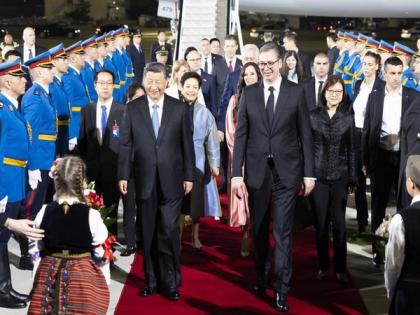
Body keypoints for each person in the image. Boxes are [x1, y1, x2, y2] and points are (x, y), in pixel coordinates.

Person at [231, 42, 314, 312]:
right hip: (256, 174)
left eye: (269, 63)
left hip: (287, 174)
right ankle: (261, 273)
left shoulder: (296, 92)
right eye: (261, 64)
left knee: (282, 233)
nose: (265, 68)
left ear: (280, 62)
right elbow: (241, 134)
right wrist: (235, 174)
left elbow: (305, 135)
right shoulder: (250, 93)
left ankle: (282, 287)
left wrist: (309, 174)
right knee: (258, 230)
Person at [118, 62, 195, 301]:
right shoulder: (132, 109)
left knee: (169, 230)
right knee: (148, 231)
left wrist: (189, 176)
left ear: (166, 82)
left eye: (158, 82)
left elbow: (187, 145)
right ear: (144, 82)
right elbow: (126, 144)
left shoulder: (179, 108)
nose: (153, 86)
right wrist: (123, 174)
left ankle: (171, 281)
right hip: (144, 180)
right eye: (149, 82)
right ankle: (151, 281)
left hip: (172, 180)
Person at [28, 156, 110, 314]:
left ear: (56, 180)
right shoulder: (91, 215)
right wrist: (103, 281)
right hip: (81, 277)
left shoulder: (44, 211)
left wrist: (36, 281)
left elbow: (36, 252)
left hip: (49, 270)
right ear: (81, 181)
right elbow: (101, 254)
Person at [362, 56, 418, 268]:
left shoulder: (413, 97)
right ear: (384, 74)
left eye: (399, 73)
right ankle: (378, 250)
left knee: (404, 204)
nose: (396, 77)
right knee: (378, 204)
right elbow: (367, 130)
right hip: (382, 156)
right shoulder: (375, 97)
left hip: (404, 158)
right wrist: (366, 160)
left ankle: (404, 249)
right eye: (392, 73)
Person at [309, 75, 357, 283]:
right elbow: (307, 149)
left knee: (339, 225)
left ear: (343, 94)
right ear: (324, 93)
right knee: (320, 224)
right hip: (318, 177)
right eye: (331, 91)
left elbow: (353, 149)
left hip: (340, 176)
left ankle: (340, 267)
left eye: (338, 91)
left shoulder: (348, 117)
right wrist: (306, 175)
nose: (335, 95)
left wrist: (353, 177)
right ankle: (322, 265)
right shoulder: (312, 116)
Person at [0, 58, 35, 309]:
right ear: (8, 80)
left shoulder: (13, 108)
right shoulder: (2, 109)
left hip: (15, 182)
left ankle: (5, 288)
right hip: (5, 185)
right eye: (21, 76)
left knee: (1, 239)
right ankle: (3, 290)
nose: (25, 80)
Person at [20, 51, 56, 270]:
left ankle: (33, 250)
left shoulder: (43, 94)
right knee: (30, 210)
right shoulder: (34, 96)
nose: (53, 71)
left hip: (45, 158)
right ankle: (27, 254)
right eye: (50, 68)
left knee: (38, 207)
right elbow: (30, 132)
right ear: (41, 72)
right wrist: (32, 166)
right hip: (38, 161)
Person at [78, 70, 124, 237]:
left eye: (109, 83)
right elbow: (82, 142)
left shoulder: (122, 110)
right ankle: (91, 248)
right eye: (101, 83)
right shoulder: (87, 109)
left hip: (113, 171)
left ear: (113, 86)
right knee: (91, 212)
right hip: (92, 171)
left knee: (111, 213)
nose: (105, 87)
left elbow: (126, 145)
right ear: (95, 86)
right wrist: (81, 173)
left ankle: (108, 251)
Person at [178, 71, 220, 250]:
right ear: (181, 87)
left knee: (196, 203)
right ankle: (177, 237)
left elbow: (211, 140)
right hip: (177, 162)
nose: (191, 90)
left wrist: (214, 163)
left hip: (198, 162)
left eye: (195, 87)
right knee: (178, 202)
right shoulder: (173, 108)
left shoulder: (205, 113)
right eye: (188, 86)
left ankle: (195, 237)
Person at [226, 62, 262, 257]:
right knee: (241, 200)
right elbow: (231, 133)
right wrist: (241, 154)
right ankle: (245, 236)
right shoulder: (234, 100)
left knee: (258, 199)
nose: (249, 77)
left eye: (252, 74)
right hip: (240, 158)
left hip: (260, 158)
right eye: (246, 74)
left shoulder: (265, 98)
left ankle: (257, 235)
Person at [351, 51, 384, 232]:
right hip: (356, 136)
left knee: (376, 182)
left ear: (377, 66)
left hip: (373, 137)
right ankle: (362, 221)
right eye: (364, 64)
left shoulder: (382, 86)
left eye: (370, 64)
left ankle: (377, 223)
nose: (366, 67)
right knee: (358, 182)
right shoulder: (358, 84)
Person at [385, 155, 420, 315]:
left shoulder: (401, 219)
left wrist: (391, 293)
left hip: (408, 296)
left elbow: (393, 265)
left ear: (411, 183)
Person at [213, 35, 242, 193]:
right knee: (223, 150)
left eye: (232, 46)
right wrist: (218, 124)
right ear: (224, 47)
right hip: (222, 116)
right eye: (227, 46)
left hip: (237, 117)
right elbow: (213, 91)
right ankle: (224, 181)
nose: (230, 49)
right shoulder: (217, 65)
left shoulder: (242, 66)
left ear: (236, 47)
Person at [218, 44, 259, 135]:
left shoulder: (264, 77)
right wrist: (220, 128)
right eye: (246, 59)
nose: (249, 61)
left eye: (251, 59)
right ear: (242, 60)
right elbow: (225, 104)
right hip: (237, 128)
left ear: (257, 60)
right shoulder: (232, 77)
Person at [62, 41, 90, 152]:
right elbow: (69, 105)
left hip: (82, 124)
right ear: (72, 59)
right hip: (76, 128)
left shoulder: (77, 74)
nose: (84, 57)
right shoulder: (68, 76)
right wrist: (72, 134)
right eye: (81, 55)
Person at [48, 44, 71, 157]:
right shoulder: (52, 85)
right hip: (58, 135)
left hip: (64, 132)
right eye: (63, 59)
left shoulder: (59, 83)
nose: (67, 62)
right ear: (54, 62)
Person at [184, 48, 216, 116]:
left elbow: (213, 104)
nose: (196, 62)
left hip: (205, 118)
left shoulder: (210, 79)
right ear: (187, 62)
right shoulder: (183, 78)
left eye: (198, 59)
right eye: (192, 60)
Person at [81, 36, 99, 103]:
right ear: (87, 51)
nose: (97, 50)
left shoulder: (92, 67)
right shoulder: (84, 69)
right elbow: (88, 90)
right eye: (95, 48)